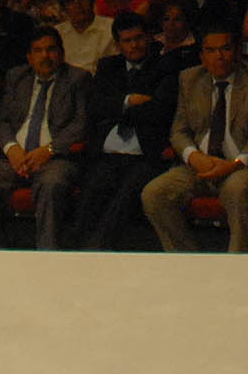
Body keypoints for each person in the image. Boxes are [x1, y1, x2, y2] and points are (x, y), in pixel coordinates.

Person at [142, 27, 248, 252]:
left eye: (225, 49)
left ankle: (241, 264)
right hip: (199, 165)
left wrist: (235, 164)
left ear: (237, 51)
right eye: (211, 50)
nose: (218, 56)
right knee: (154, 193)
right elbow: (179, 131)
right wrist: (194, 157)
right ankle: (189, 261)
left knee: (239, 190)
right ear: (202, 56)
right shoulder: (189, 78)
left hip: (238, 166)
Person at [0, 25, 90, 249]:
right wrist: (11, 148)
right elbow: (2, 120)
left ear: (61, 54)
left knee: (51, 184)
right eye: (38, 51)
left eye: (51, 50)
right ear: (29, 57)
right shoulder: (17, 77)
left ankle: (47, 257)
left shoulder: (77, 78)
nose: (45, 56)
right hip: (16, 158)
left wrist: (48, 150)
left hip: (55, 158)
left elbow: (81, 125)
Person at [69, 12, 179, 250]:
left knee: (123, 199)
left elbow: (160, 110)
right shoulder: (109, 66)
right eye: (127, 41)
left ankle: (98, 251)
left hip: (145, 154)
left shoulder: (165, 66)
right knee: (91, 193)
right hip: (107, 154)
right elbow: (95, 106)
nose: (134, 45)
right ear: (118, 45)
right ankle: (75, 254)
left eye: (139, 38)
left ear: (149, 38)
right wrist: (130, 100)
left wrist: (117, 106)